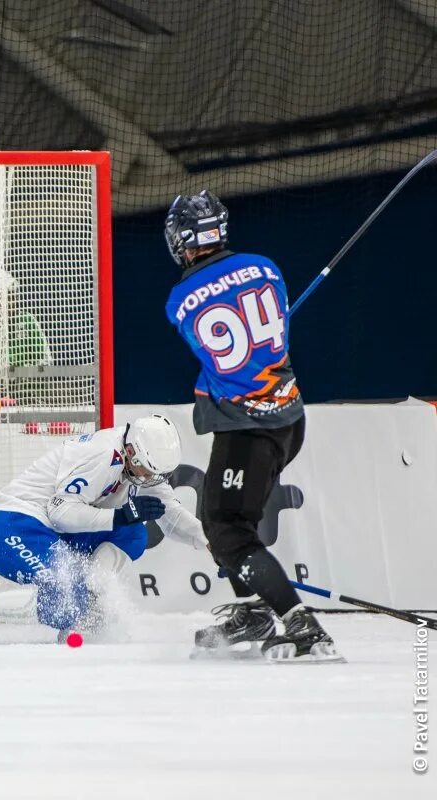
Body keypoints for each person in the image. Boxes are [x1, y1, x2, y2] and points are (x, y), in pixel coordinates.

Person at [163, 189, 340, 662]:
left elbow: (215, 365)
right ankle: (254, 609)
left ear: (182, 239)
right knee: (229, 519)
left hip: (248, 430)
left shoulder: (179, 300)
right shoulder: (266, 266)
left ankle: (301, 624)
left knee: (226, 527)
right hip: (290, 420)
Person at [0, 415, 208, 645]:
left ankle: (90, 599)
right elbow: (60, 513)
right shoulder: (103, 454)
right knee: (67, 601)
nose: (150, 479)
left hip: (49, 532)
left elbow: (172, 515)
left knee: (134, 534)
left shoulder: (140, 464)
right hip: (12, 527)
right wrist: (118, 516)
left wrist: (212, 544)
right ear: (131, 451)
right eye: (146, 470)